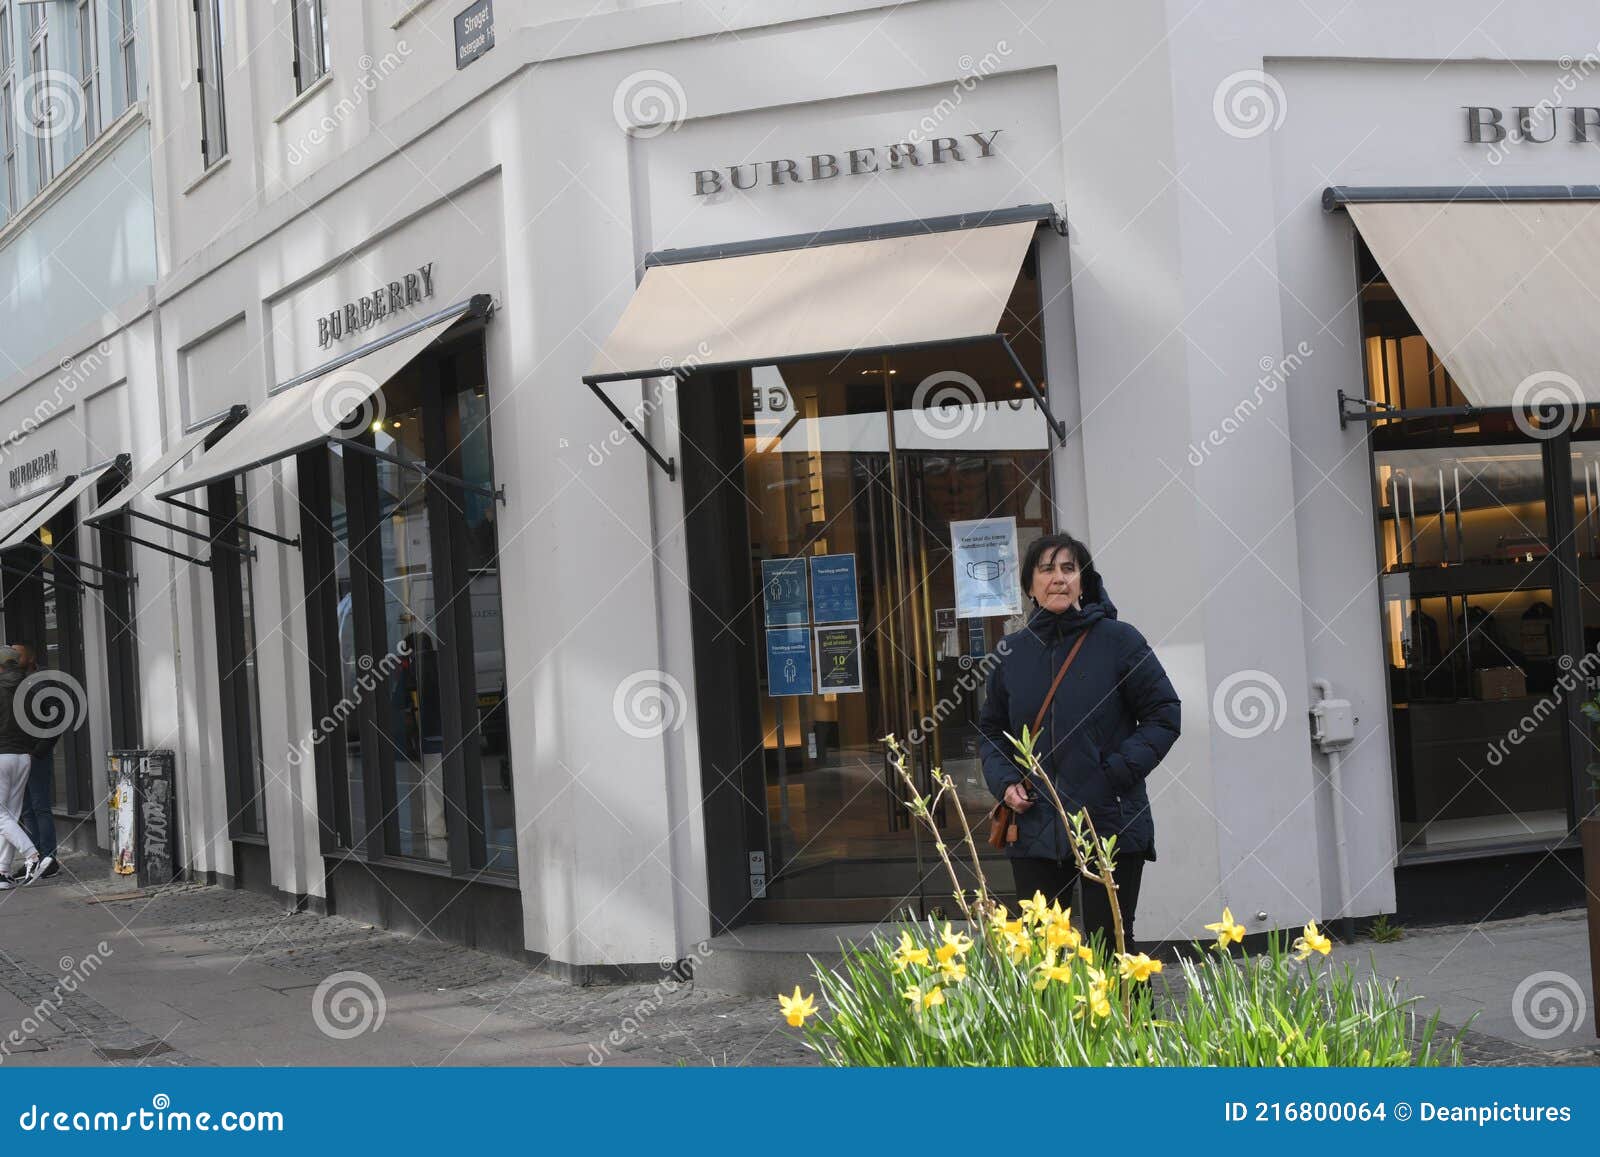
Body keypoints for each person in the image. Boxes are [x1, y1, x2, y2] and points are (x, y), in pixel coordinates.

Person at [979, 532, 1181, 955]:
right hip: (1035, 825)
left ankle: (1130, 1025)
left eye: (1069, 569)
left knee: (1114, 953)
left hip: (1108, 823)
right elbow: (991, 730)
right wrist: (1004, 783)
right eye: (1047, 569)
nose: (1058, 578)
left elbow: (1164, 713)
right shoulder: (1012, 654)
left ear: (1083, 582)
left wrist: (1112, 775)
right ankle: (1057, 1027)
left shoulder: (1119, 641)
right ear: (1030, 585)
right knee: (1042, 958)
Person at [0, 645, 54, 888]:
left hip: (1, 756)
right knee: (10, 815)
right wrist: (37, 751)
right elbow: (52, 720)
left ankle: (33, 856)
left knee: (2, 817)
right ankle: (3, 872)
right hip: (23, 757)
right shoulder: (31, 687)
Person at [11, 641, 59, 878]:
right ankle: (36, 858)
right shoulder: (15, 682)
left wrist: (39, 750)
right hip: (19, 754)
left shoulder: (41, 681)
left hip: (35, 755)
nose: (12, 660)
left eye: (16, 656)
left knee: (39, 806)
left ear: (30, 658)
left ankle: (49, 858)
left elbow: (55, 719)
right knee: (26, 809)